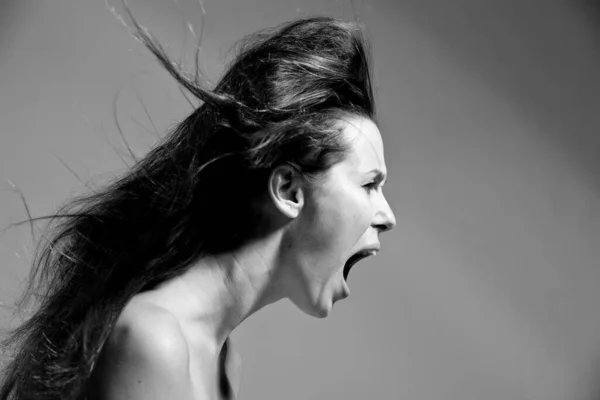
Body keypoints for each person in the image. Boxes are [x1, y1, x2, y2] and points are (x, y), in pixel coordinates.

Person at [0, 14, 395, 400]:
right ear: (289, 190)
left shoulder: (221, 363)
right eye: (369, 184)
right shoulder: (157, 342)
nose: (387, 216)